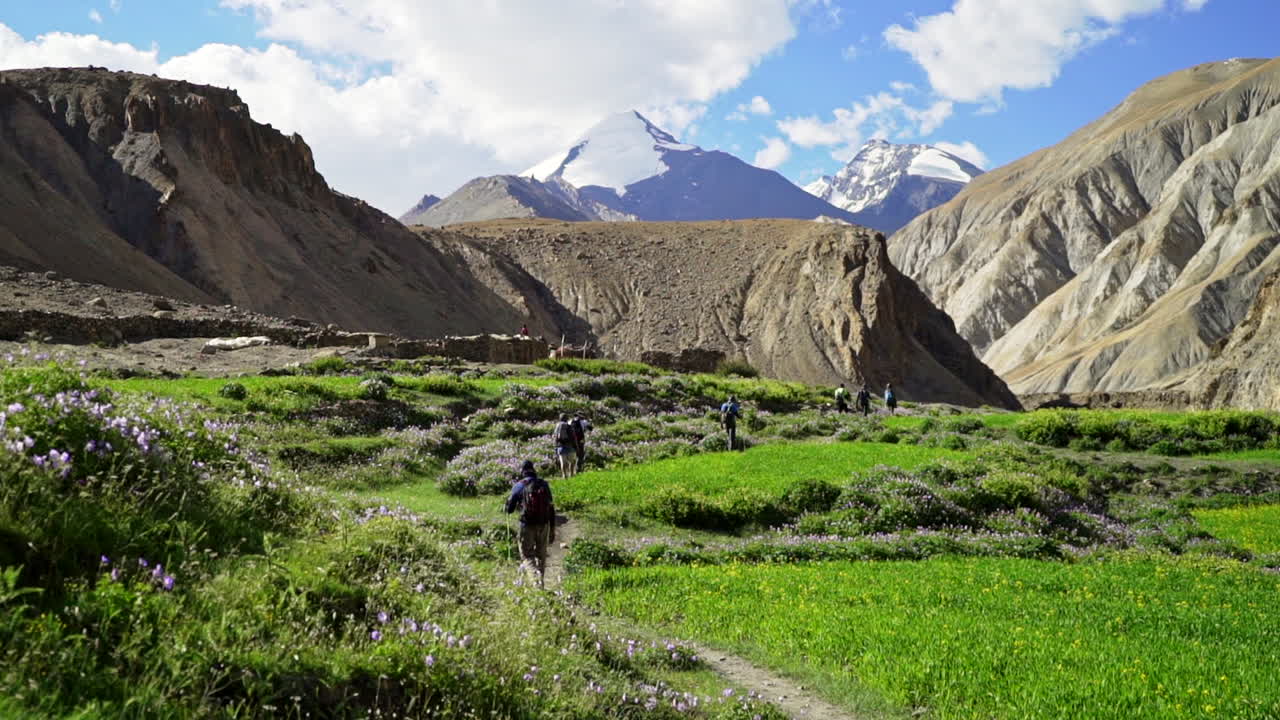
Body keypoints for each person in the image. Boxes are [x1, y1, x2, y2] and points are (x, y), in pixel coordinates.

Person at [504, 460, 555, 587]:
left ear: (522, 472)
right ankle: (540, 583)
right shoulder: (543, 484)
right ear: (534, 470)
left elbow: (509, 509)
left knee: (527, 555)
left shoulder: (519, 485)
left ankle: (536, 583)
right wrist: (552, 529)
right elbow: (551, 507)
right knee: (541, 555)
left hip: (527, 525)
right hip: (544, 524)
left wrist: (508, 506)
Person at [553, 413, 578, 477]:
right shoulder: (568, 426)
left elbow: (555, 437)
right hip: (569, 445)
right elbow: (573, 436)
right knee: (572, 461)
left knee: (563, 462)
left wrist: (555, 447)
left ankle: (564, 475)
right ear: (566, 418)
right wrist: (576, 446)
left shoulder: (557, 426)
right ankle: (571, 474)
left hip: (560, 446)